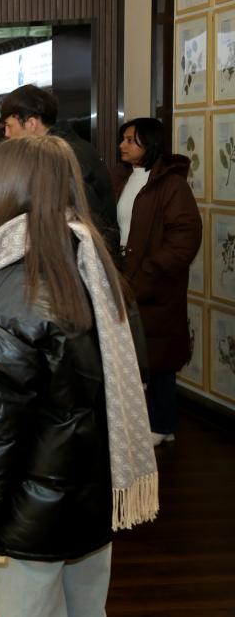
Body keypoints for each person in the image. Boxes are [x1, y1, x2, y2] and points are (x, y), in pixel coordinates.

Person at [0, 136, 159, 616]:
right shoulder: (98, 272)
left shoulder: (5, 288)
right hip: (90, 512)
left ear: (4, 193)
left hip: (23, 525)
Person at [114, 117, 201, 445]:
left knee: (160, 356)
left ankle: (163, 425)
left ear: (149, 144)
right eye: (123, 139)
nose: (122, 146)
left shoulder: (171, 184)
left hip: (157, 283)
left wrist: (153, 268)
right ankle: (142, 422)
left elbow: (186, 234)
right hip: (126, 276)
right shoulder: (122, 177)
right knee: (133, 352)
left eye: (131, 140)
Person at [0, 84, 121, 258]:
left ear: (31, 123)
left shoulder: (64, 157)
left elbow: (83, 224)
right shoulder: (64, 150)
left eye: (9, 126)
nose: (6, 134)